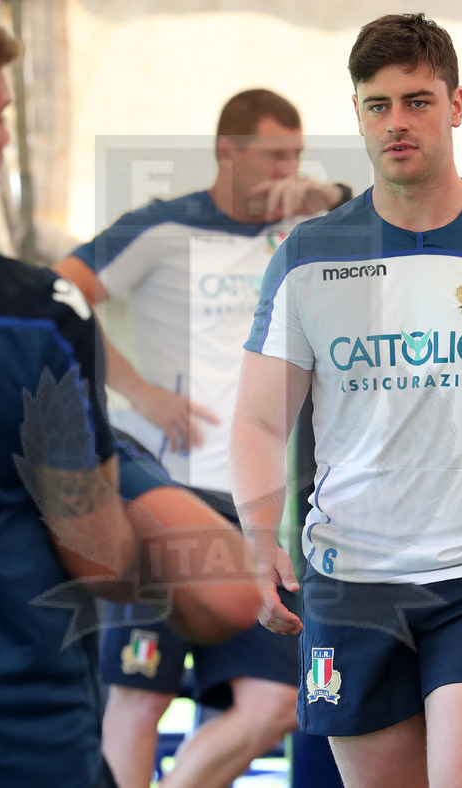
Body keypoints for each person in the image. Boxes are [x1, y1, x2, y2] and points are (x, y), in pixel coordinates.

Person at [0, 3, 260, 788]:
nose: (5, 141)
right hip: (2, 748)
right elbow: (100, 560)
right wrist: (127, 473)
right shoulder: (32, 316)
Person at [229, 12, 462, 788]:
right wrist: (258, 532)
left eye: (418, 101)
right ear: (360, 116)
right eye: (378, 105)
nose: (397, 123)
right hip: (349, 578)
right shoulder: (308, 257)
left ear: (456, 105)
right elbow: (260, 418)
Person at [55, 88, 351, 787]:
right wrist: (137, 389)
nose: (289, 169)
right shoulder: (164, 226)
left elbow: (380, 202)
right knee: (140, 692)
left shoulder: (300, 236)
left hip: (251, 511)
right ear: (228, 151)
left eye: (297, 155)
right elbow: (59, 292)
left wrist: (325, 190)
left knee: (276, 701)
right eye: (275, 154)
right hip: (163, 493)